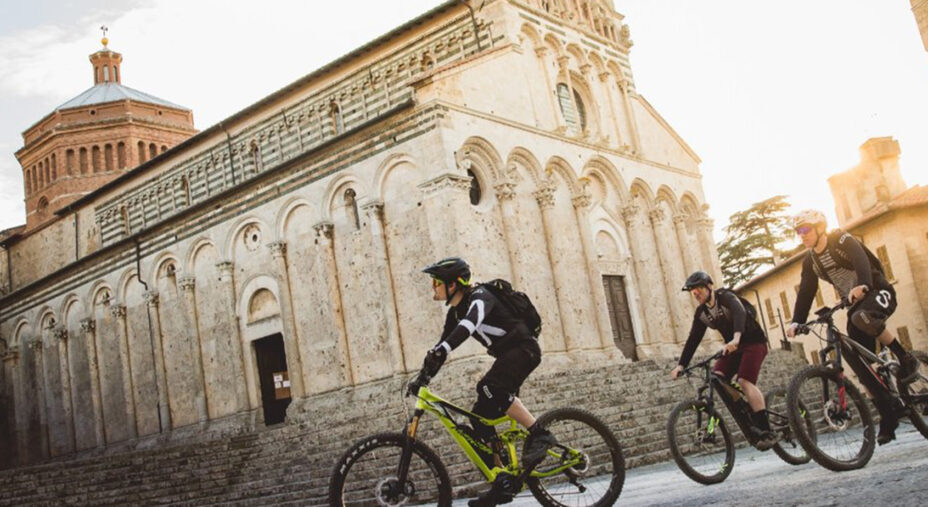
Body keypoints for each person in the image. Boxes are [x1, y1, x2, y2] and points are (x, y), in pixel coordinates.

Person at [407, 257, 556, 507]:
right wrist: (424, 375)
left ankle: (540, 434)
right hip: (508, 356)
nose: (433, 287)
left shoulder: (480, 295)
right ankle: (501, 482)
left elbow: (470, 323)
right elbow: (443, 345)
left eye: (436, 282)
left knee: (489, 387)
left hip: (524, 349)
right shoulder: (455, 311)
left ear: (453, 284)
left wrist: (442, 348)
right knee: (478, 419)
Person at [786, 209, 919, 445]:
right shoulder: (811, 261)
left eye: (805, 229)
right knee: (860, 364)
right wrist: (796, 320)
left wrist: (864, 285)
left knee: (860, 318)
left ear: (819, 227)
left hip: (878, 292)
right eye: (798, 232)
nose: (802, 235)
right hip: (855, 305)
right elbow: (806, 291)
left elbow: (861, 260)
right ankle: (889, 415)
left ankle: (904, 356)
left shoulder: (841, 239)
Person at [670, 270, 777, 450]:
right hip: (732, 348)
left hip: (753, 342)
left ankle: (766, 429)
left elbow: (739, 312)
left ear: (709, 287)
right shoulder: (702, 313)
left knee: (744, 381)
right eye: (692, 291)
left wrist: (736, 338)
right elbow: (693, 339)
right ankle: (745, 410)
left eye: (698, 289)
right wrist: (681, 364)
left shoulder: (725, 297)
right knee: (716, 377)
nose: (695, 293)